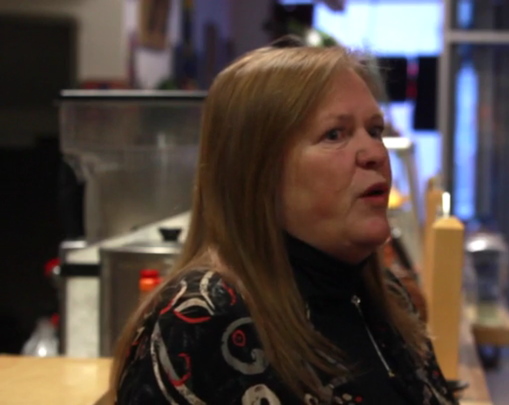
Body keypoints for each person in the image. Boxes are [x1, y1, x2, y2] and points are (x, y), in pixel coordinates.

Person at [111, 37, 457, 405]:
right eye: (335, 134)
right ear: (258, 171)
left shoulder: (388, 297)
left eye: (374, 130)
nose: (374, 153)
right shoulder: (202, 319)